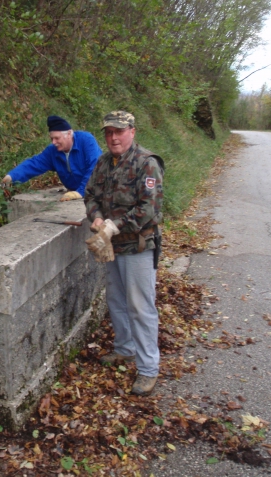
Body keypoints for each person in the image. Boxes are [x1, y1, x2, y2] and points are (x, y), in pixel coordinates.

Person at [84, 111, 164, 396]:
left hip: (137, 246)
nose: (113, 137)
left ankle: (148, 369)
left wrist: (113, 227)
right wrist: (95, 218)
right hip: (111, 246)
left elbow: (147, 209)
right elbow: (90, 194)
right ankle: (125, 349)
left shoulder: (147, 163)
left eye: (119, 131)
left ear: (132, 131)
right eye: (108, 132)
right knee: (116, 301)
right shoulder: (104, 162)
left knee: (141, 308)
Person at [0, 116, 102, 201]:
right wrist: (12, 176)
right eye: (52, 138)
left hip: (100, 190)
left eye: (57, 138)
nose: (53, 142)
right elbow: (34, 164)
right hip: (74, 193)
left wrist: (81, 191)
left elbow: (95, 166)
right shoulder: (53, 151)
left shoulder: (86, 141)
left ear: (69, 134)